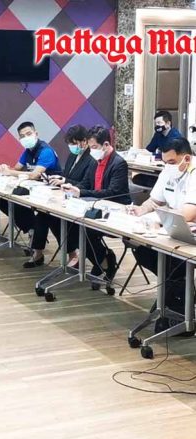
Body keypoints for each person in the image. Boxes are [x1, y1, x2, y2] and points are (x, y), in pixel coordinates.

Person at [128, 137, 196, 322]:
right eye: (165, 162)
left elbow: (189, 214)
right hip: (174, 230)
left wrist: (159, 218)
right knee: (142, 250)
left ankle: (177, 304)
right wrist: (141, 210)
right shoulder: (169, 170)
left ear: (187, 158)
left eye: (172, 162)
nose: (168, 166)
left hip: (189, 236)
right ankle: (174, 297)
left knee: (173, 262)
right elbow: (155, 200)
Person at [62, 125, 130, 280]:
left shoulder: (119, 163)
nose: (91, 151)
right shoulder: (94, 160)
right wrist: (72, 188)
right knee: (71, 224)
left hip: (115, 211)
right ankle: (103, 260)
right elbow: (86, 183)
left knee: (83, 228)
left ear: (106, 145)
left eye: (94, 147)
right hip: (96, 207)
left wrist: (81, 192)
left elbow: (112, 192)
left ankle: (104, 260)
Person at [24, 125, 96, 268]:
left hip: (80, 199)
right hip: (64, 196)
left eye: (74, 143)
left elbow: (87, 184)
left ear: (84, 141)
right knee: (42, 214)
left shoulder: (91, 159)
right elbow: (66, 175)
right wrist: (58, 178)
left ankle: (73, 254)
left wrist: (65, 181)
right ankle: (38, 252)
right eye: (70, 143)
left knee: (55, 217)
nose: (72, 147)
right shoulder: (73, 155)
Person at [0, 121, 62, 236]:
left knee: (20, 201)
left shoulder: (46, 151)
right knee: (3, 200)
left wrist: (9, 172)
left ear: (36, 134)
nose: (26, 138)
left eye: (29, 134)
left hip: (52, 192)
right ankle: (31, 227)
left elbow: (34, 175)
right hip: (33, 189)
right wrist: (5, 168)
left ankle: (35, 229)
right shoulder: (27, 151)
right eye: (22, 136)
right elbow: (16, 168)